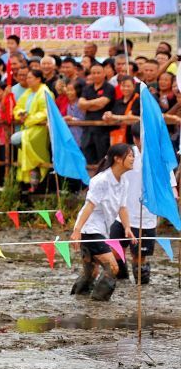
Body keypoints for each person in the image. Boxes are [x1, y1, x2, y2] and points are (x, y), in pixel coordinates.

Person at [109, 128, 177, 284]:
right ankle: (121, 283)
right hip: (121, 214)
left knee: (139, 257)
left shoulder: (158, 157)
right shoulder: (126, 155)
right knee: (116, 252)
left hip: (145, 217)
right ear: (135, 139)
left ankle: (142, 287)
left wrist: (172, 198)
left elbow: (170, 185)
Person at [70, 144, 136, 301]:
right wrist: (77, 230)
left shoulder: (124, 181)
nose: (133, 159)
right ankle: (98, 302)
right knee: (112, 267)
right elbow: (89, 206)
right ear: (117, 159)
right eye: (130, 155)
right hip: (90, 229)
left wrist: (127, 227)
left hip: (100, 230)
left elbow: (122, 207)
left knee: (91, 272)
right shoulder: (101, 180)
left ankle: (77, 300)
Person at [12, 69, 52, 188]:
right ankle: (30, 178)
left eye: (30, 78)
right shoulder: (28, 92)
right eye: (27, 78)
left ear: (38, 79)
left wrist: (29, 119)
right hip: (27, 127)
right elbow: (18, 107)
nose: (28, 80)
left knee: (17, 139)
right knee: (21, 145)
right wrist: (21, 113)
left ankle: (36, 170)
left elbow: (46, 111)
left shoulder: (45, 92)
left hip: (39, 129)